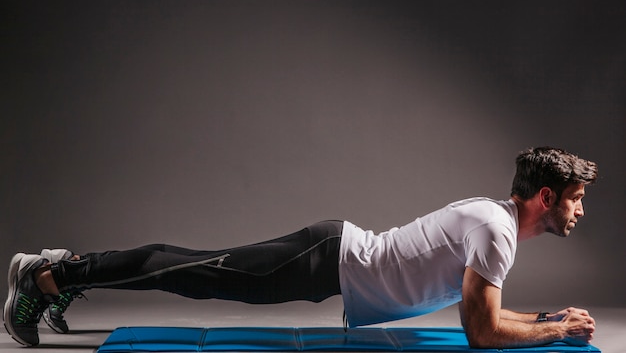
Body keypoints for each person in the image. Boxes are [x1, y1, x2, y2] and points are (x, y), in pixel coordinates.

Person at [4, 147, 598, 349]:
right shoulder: (497, 232)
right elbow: (481, 333)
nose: (579, 209)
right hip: (322, 260)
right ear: (545, 196)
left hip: (330, 257)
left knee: (187, 267)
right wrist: (556, 330)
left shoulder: (495, 223)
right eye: (574, 198)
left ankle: (68, 275)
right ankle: (46, 277)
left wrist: (547, 318)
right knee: (184, 269)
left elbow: (485, 318)